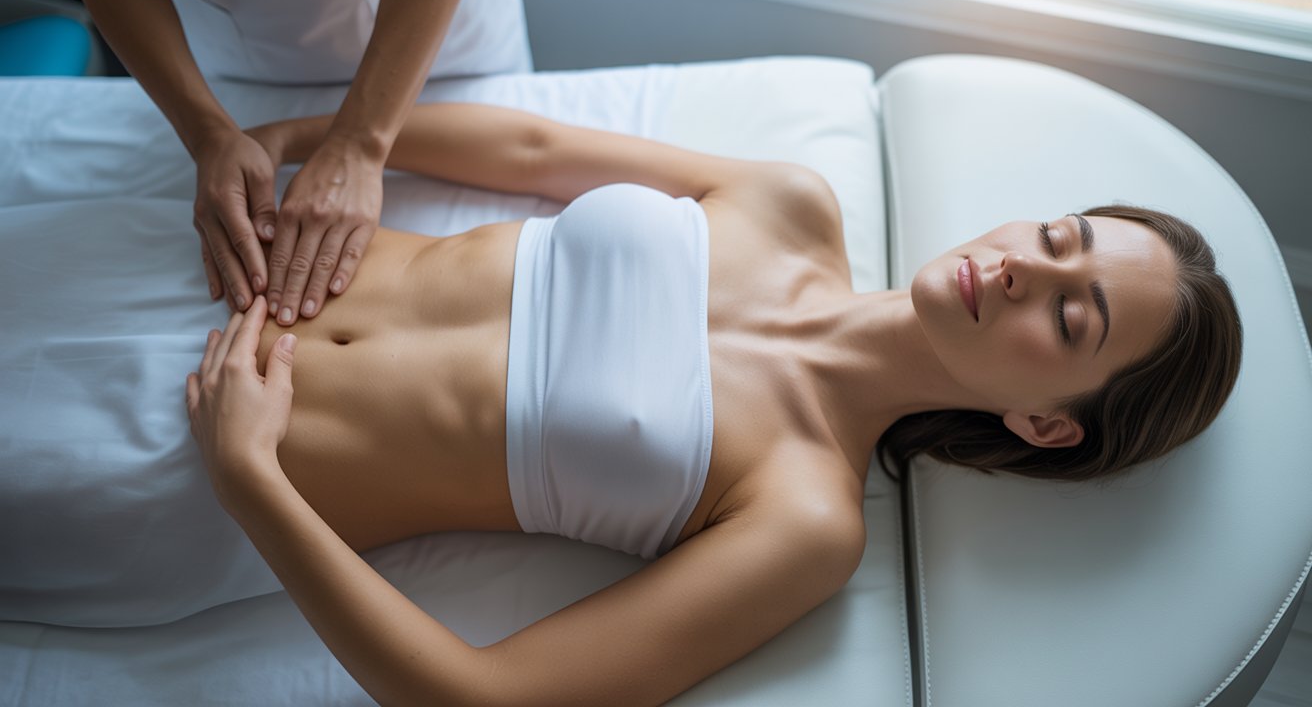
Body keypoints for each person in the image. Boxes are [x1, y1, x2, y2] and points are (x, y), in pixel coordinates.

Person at [174, 102, 1243, 704]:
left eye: (1069, 319)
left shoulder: (806, 515)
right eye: (1053, 239)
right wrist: (308, 139)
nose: (1020, 268)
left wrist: (249, 481)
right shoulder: (788, 204)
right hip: (212, 252)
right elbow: (534, 153)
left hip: (178, 463)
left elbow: (491, 702)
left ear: (1046, 422)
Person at [67, 0, 531, 327]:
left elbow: (534, 148)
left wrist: (359, 142)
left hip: (428, 38)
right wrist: (207, 133)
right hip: (238, 53)